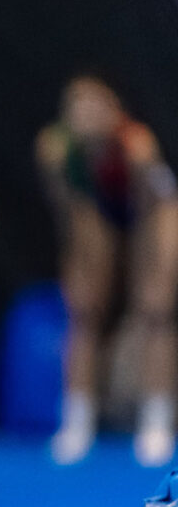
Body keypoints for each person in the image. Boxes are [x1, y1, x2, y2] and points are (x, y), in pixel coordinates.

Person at [37, 74, 178, 467]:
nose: (85, 115)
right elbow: (68, 212)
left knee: (155, 309)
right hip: (98, 212)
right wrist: (80, 265)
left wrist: (145, 274)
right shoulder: (55, 149)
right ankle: (76, 420)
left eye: (94, 107)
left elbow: (148, 212)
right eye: (77, 107)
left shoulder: (137, 146)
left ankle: (157, 420)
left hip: (153, 214)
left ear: (115, 112)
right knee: (83, 309)